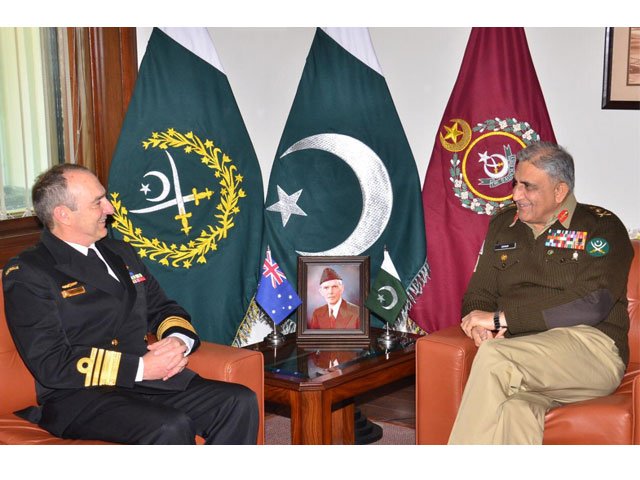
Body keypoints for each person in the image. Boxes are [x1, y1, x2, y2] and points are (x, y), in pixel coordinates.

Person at [2, 163, 259, 445]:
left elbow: (163, 308)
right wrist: (140, 368)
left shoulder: (120, 252)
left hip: (145, 382)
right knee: (170, 425)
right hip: (80, 396)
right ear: (63, 214)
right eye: (97, 202)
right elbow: (51, 363)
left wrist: (178, 341)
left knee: (238, 401)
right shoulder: (29, 272)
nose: (110, 208)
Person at [448, 142, 633, 444]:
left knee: (495, 359)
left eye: (528, 187)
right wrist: (477, 325)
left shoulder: (601, 226)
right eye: (515, 184)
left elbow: (593, 303)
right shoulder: (503, 225)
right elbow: (479, 292)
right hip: (524, 351)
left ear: (560, 192)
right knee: (517, 410)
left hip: (591, 349)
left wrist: (500, 319)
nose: (516, 195)